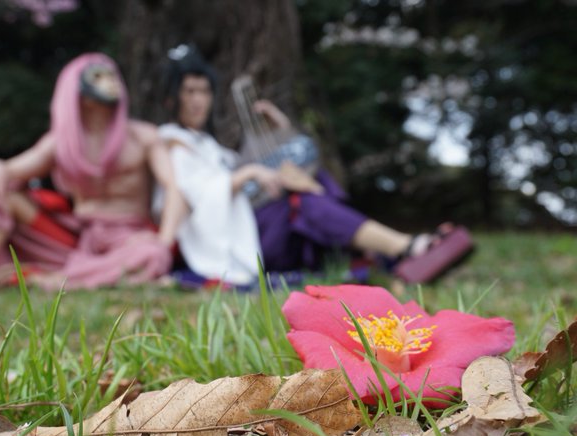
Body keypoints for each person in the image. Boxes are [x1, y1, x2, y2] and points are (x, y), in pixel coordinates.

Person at [158, 45, 473, 286]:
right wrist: (250, 174)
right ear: (173, 98)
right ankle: (406, 247)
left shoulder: (212, 148)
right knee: (302, 202)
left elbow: (259, 171)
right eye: (189, 91)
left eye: (204, 91)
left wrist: (280, 129)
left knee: (307, 182)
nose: (198, 100)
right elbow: (189, 194)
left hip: (254, 228)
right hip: (234, 242)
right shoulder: (171, 142)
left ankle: (391, 251)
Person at [0, 52, 185, 291]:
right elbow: (11, 170)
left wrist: (163, 240)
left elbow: (174, 189)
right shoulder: (60, 143)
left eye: (112, 75)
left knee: (151, 254)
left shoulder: (143, 137)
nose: (110, 81)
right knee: (1, 192)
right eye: (98, 76)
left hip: (127, 240)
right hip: (74, 242)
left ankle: (55, 280)